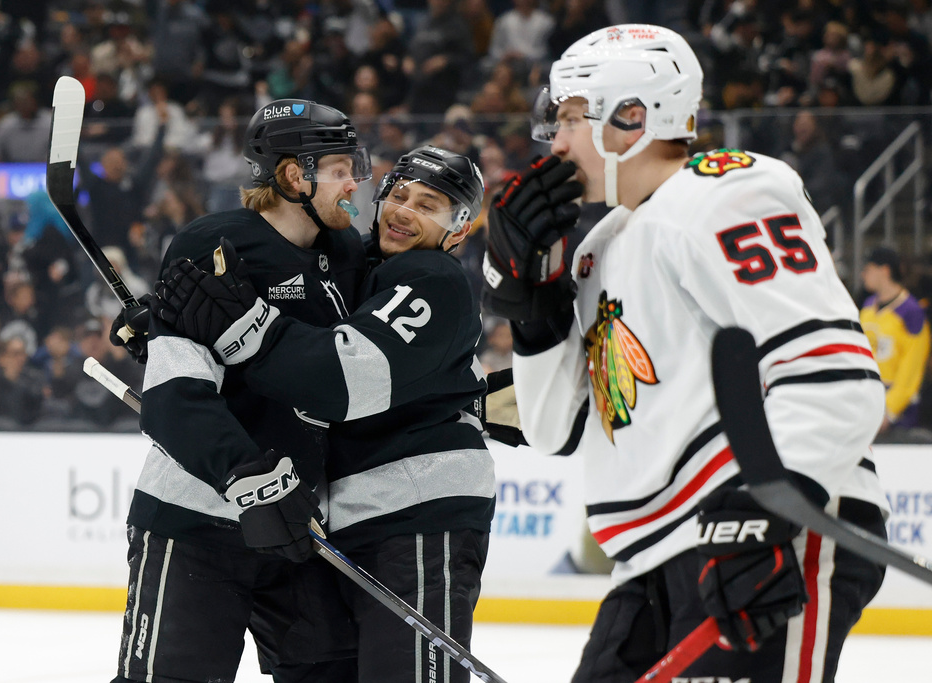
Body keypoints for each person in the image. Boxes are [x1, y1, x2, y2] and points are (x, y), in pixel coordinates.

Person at [481, 24, 890, 683]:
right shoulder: (595, 250)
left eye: (569, 118)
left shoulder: (727, 191)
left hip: (761, 523)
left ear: (632, 117)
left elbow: (832, 373)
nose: (554, 143)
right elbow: (556, 428)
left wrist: (767, 510)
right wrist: (534, 311)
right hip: (652, 556)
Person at [152, 145, 495, 682]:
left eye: (429, 205)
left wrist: (239, 326)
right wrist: (169, 324)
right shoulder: (351, 265)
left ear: (460, 228)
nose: (405, 210)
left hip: (422, 514)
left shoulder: (433, 279)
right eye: (399, 195)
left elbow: (336, 381)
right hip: (353, 521)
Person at [108, 99, 371, 683]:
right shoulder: (215, 246)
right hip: (197, 519)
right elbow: (175, 396)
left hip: (300, 526)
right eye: (340, 168)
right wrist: (245, 474)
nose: (355, 180)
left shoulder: (347, 252)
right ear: (293, 175)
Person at [859, 246, 931, 434]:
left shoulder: (911, 312)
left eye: (868, 269)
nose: (863, 274)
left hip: (900, 415)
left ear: (884, 270)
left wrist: (889, 411)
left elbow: (912, 369)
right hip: (867, 401)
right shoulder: (867, 308)